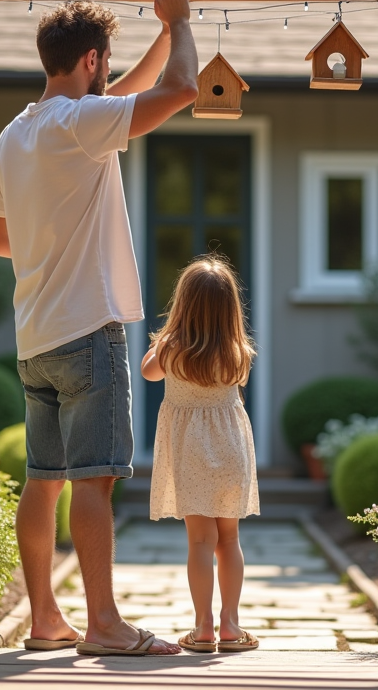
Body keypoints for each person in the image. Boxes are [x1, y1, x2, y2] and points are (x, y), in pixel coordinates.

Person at [0, 0, 197, 657]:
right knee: (94, 479)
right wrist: (181, 23)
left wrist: (160, 35)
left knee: (43, 479)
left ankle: (45, 619)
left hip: (34, 338)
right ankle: (103, 624)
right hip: (87, 332)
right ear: (92, 60)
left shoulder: (18, 133)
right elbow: (182, 89)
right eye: (107, 62)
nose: (110, 73)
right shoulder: (81, 126)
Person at [140, 255, 261, 654]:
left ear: (183, 305)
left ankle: (203, 626)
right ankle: (231, 624)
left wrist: (164, 338)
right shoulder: (238, 352)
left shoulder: (171, 351)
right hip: (231, 452)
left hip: (190, 453)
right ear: (230, 310)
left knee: (200, 542)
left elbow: (147, 371)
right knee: (230, 538)